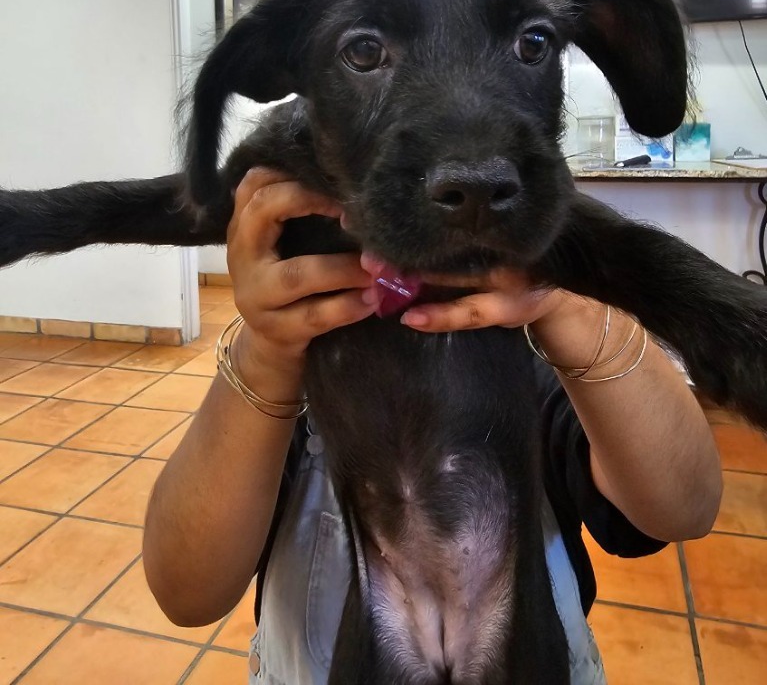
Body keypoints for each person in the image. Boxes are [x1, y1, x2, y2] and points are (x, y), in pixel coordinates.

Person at [143, 167, 723, 684]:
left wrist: (571, 301)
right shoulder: (295, 364)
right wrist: (263, 353)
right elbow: (187, 593)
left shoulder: (538, 345)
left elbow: (684, 507)